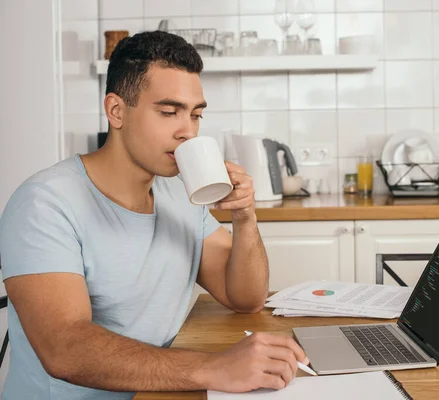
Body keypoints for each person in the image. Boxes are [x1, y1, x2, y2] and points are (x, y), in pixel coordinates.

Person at [0, 31, 308, 399]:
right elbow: (64, 349)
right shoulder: (44, 204)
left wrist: (244, 218)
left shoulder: (178, 191)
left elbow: (245, 298)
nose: (188, 132)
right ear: (116, 111)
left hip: (156, 391)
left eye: (195, 115)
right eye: (168, 112)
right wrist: (214, 367)